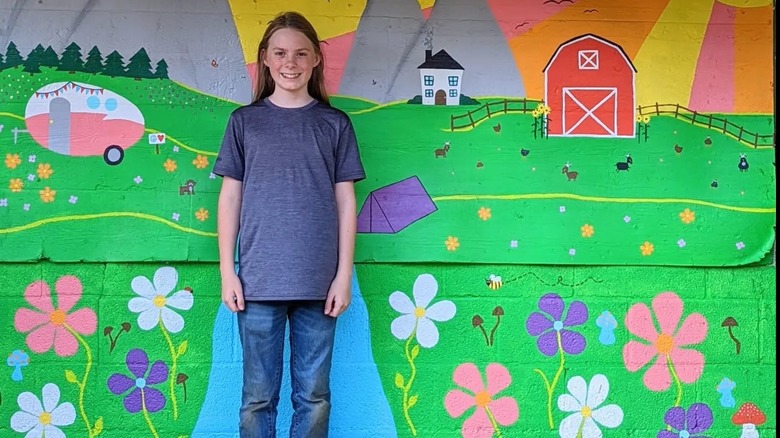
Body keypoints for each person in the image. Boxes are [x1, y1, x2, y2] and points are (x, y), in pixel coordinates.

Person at [212, 11, 365, 438]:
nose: (290, 62)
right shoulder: (244, 122)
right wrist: (228, 272)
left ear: (316, 59)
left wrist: (342, 277)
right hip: (257, 283)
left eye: (300, 53)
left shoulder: (334, 124)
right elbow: (230, 197)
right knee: (257, 400)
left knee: (314, 398)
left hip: (319, 286)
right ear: (264, 59)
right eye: (280, 53)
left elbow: (345, 202)